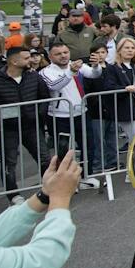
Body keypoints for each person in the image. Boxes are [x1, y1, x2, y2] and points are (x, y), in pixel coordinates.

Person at [0, 43, 53, 193]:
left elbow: (44, 97)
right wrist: (0, 120)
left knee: (44, 158)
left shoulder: (34, 76)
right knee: (9, 163)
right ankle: (13, 195)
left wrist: (38, 115)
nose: (31, 61)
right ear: (14, 61)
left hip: (32, 126)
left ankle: (51, 189)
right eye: (26, 58)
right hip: (8, 130)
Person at [39, 43, 91, 177]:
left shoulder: (75, 65)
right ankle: (64, 178)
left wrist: (96, 66)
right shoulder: (46, 71)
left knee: (88, 146)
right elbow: (54, 86)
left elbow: (93, 74)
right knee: (63, 150)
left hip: (81, 112)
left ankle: (86, 175)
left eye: (65, 52)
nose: (63, 56)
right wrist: (70, 72)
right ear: (50, 56)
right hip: (59, 116)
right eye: (58, 54)